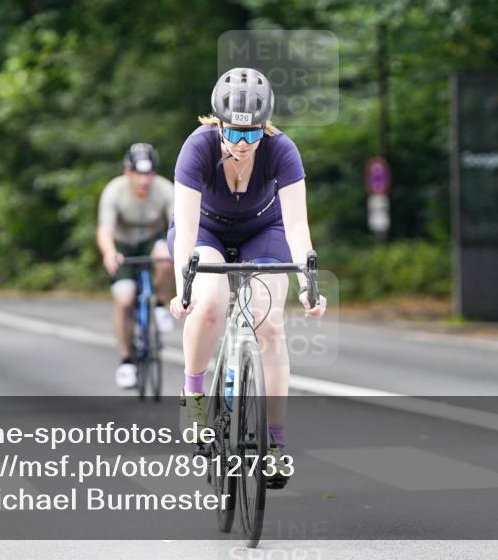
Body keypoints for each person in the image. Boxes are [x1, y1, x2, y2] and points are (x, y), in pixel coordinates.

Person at [168, 67, 327, 486]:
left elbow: (296, 227)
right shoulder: (197, 148)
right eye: (233, 134)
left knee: (270, 323)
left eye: (252, 134)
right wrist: (182, 287)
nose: (242, 145)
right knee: (211, 304)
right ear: (217, 123)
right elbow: (184, 228)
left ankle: (275, 444)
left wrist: (309, 285)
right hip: (206, 230)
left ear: (265, 127)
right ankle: (194, 396)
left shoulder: (282, 150)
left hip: (263, 230)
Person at [97, 143, 176, 389]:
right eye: (138, 174)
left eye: (148, 174)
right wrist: (110, 253)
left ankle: (161, 304)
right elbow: (105, 229)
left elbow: (178, 225)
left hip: (151, 241)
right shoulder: (114, 191)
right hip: (123, 246)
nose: (144, 181)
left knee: (166, 256)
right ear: (127, 172)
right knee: (124, 300)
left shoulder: (165, 190)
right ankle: (126, 361)